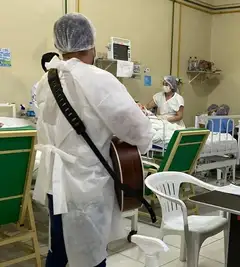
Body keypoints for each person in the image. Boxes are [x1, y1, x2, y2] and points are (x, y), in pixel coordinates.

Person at [32, 13, 153, 267]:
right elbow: (137, 129)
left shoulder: (45, 81)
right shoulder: (98, 79)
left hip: (55, 181)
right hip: (86, 185)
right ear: (91, 44)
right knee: (90, 255)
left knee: (59, 250)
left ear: (59, 45)